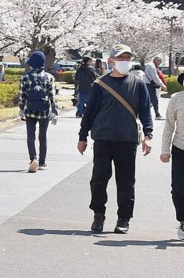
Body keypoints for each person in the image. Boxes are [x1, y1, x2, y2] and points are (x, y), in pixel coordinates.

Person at [79, 44, 154, 234]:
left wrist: (148, 135)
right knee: (99, 178)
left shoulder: (137, 84)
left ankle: (124, 219)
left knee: (126, 181)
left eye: (128, 58)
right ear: (111, 61)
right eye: (121, 58)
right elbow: (90, 113)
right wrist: (82, 136)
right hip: (103, 138)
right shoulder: (100, 84)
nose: (125, 62)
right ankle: (98, 214)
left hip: (127, 140)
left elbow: (145, 111)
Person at [18, 51, 58, 173]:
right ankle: (42, 162)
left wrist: (21, 110)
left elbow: (22, 96)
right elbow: (52, 96)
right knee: (43, 136)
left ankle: (32, 159)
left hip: (30, 110)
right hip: (44, 111)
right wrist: (55, 111)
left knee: (30, 136)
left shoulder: (25, 77)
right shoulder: (49, 77)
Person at [160, 73, 184, 240]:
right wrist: (164, 149)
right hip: (179, 148)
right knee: (178, 189)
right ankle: (183, 220)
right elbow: (169, 124)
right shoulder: (176, 99)